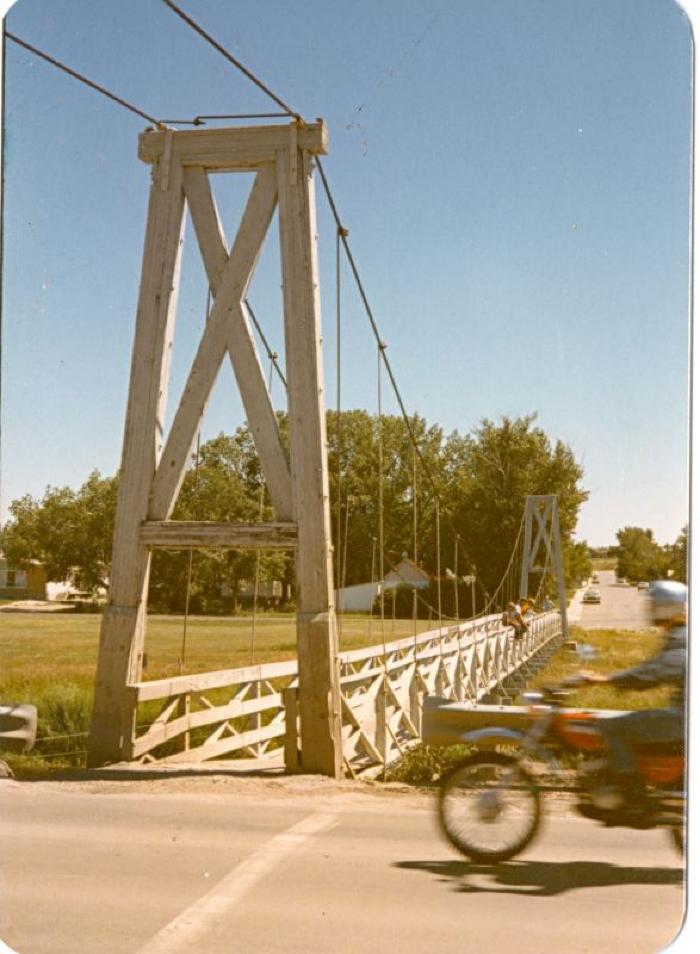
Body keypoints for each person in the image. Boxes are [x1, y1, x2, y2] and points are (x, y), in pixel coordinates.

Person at [578, 579, 687, 817]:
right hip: (683, 716)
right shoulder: (678, 633)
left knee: (614, 727)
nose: (648, 608)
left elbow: (653, 672)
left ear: (665, 607)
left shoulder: (682, 639)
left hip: (683, 719)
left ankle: (635, 797)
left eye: (653, 604)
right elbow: (652, 670)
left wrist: (606, 680)